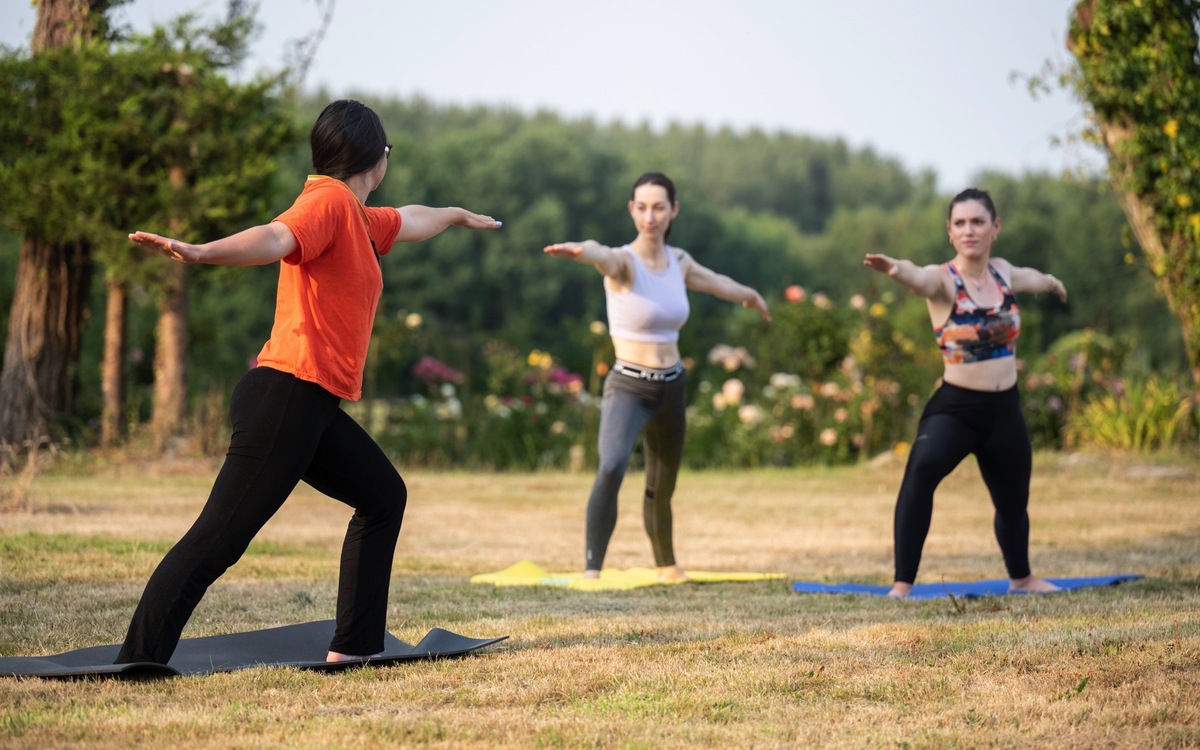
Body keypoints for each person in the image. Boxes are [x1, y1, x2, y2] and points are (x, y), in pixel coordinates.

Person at [119, 99, 501, 664]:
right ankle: (138, 657)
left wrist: (456, 214)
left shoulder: (358, 219)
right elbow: (276, 237)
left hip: (310, 405)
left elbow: (411, 218)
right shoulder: (327, 201)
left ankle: (355, 648)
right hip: (285, 398)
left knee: (383, 497)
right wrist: (201, 253)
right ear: (378, 157)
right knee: (220, 537)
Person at [544, 172, 770, 582]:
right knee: (612, 466)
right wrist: (580, 251)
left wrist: (749, 295)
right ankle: (592, 570)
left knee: (662, 484)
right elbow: (601, 253)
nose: (650, 216)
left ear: (673, 210)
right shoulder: (624, 263)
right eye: (642, 207)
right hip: (629, 388)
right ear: (632, 211)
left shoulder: (679, 262)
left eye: (659, 207)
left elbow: (716, 282)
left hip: (672, 387)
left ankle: (666, 564)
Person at [863, 187, 1067, 598]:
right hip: (956, 410)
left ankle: (1022, 578)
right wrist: (894, 269)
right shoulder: (943, 280)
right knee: (920, 474)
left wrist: (1052, 284)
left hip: (1004, 411)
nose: (968, 230)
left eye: (977, 221)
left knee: (1013, 501)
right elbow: (916, 276)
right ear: (950, 232)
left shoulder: (1003, 273)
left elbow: (1031, 278)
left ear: (995, 227)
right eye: (960, 223)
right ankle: (902, 585)